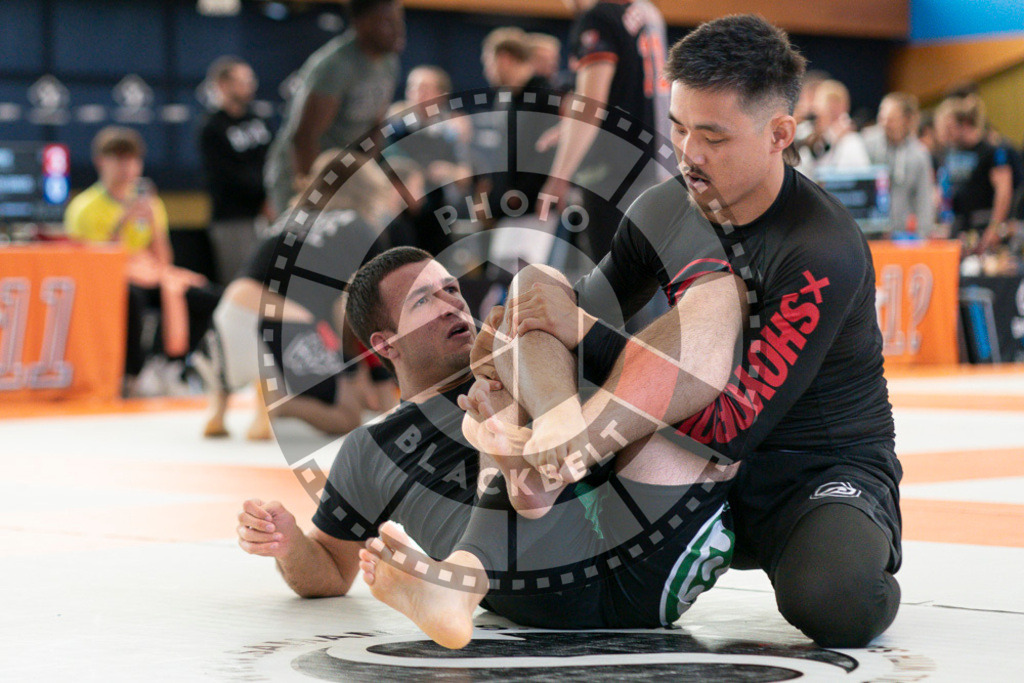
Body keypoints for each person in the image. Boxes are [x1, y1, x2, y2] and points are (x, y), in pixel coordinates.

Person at [467, 15, 902, 649]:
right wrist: (516, 367)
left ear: (779, 134)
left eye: (713, 137)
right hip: (687, 465)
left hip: (809, 470)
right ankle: (556, 447)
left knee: (836, 604)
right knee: (532, 287)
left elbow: (732, 424)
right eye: (677, 128)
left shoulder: (820, 249)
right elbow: (563, 327)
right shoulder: (665, 207)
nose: (687, 154)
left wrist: (583, 333)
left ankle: (867, 532)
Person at [237, 247, 735, 649]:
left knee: (524, 316)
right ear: (385, 345)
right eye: (423, 301)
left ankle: (511, 477)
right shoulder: (371, 449)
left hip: (644, 545)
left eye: (451, 288)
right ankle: (510, 473)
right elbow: (328, 570)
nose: (452, 303)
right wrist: (287, 544)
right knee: (501, 378)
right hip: (540, 591)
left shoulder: (533, 358)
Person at [196, 150, 397, 439]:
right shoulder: (361, 228)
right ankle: (280, 404)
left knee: (322, 342)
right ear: (367, 190)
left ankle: (221, 405)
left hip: (225, 320)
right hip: (281, 323)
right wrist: (378, 379)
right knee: (348, 415)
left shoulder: (291, 218)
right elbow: (370, 315)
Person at [65, 126, 221, 397]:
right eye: (119, 159)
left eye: (133, 160)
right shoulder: (84, 206)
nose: (127, 167)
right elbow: (91, 263)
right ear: (102, 161)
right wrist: (121, 223)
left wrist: (152, 225)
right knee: (130, 298)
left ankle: (172, 366)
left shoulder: (150, 204)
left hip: (148, 272)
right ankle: (132, 374)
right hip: (109, 278)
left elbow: (164, 261)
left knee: (202, 296)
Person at [539, 0, 670, 263]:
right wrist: (567, 127)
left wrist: (558, 176)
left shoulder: (597, 18)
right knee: (647, 277)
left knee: (615, 286)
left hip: (612, 172)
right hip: (652, 163)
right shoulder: (646, 12)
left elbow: (591, 104)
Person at [263, 0, 404, 216]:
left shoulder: (389, 63)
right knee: (306, 243)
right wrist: (313, 194)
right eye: (387, 22)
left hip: (341, 173)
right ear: (361, 24)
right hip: (300, 170)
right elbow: (304, 137)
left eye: (399, 21)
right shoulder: (335, 66)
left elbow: (375, 127)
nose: (398, 30)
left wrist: (365, 174)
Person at [199, 56, 273, 285]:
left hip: (269, 215)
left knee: (272, 283)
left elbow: (272, 161)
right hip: (233, 219)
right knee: (243, 284)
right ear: (223, 84)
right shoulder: (211, 127)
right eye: (242, 81)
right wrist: (262, 198)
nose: (249, 86)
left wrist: (273, 198)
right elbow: (225, 176)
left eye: (250, 81)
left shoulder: (259, 120)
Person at [384, 65, 473, 256]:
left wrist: (449, 171)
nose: (417, 94)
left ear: (441, 95)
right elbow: (385, 164)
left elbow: (465, 175)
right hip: (400, 214)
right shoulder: (395, 130)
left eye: (425, 88)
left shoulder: (449, 133)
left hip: (437, 215)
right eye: (413, 88)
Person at [935, 95, 1016, 254]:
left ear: (964, 124)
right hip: (959, 229)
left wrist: (995, 227)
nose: (946, 133)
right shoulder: (949, 153)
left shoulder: (991, 151)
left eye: (950, 127)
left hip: (983, 226)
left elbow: (1004, 191)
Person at [862, 92, 936, 236]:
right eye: (882, 118)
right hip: (867, 231)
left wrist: (923, 236)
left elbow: (924, 199)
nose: (885, 124)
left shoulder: (919, 155)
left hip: (900, 234)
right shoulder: (866, 143)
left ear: (907, 120)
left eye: (891, 120)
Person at [797, 79, 870, 178]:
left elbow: (862, 177)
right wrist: (829, 138)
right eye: (829, 108)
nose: (834, 113)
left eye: (837, 108)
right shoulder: (804, 132)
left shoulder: (852, 141)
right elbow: (803, 167)